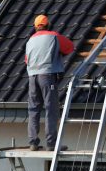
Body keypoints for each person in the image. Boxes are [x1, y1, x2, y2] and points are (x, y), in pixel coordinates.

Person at [25, 14, 74, 151]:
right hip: (47, 76)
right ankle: (51, 143)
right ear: (48, 25)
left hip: (32, 76)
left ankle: (33, 142)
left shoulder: (30, 41)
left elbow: (26, 60)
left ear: (35, 27)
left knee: (34, 109)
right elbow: (69, 47)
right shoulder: (53, 36)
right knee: (51, 109)